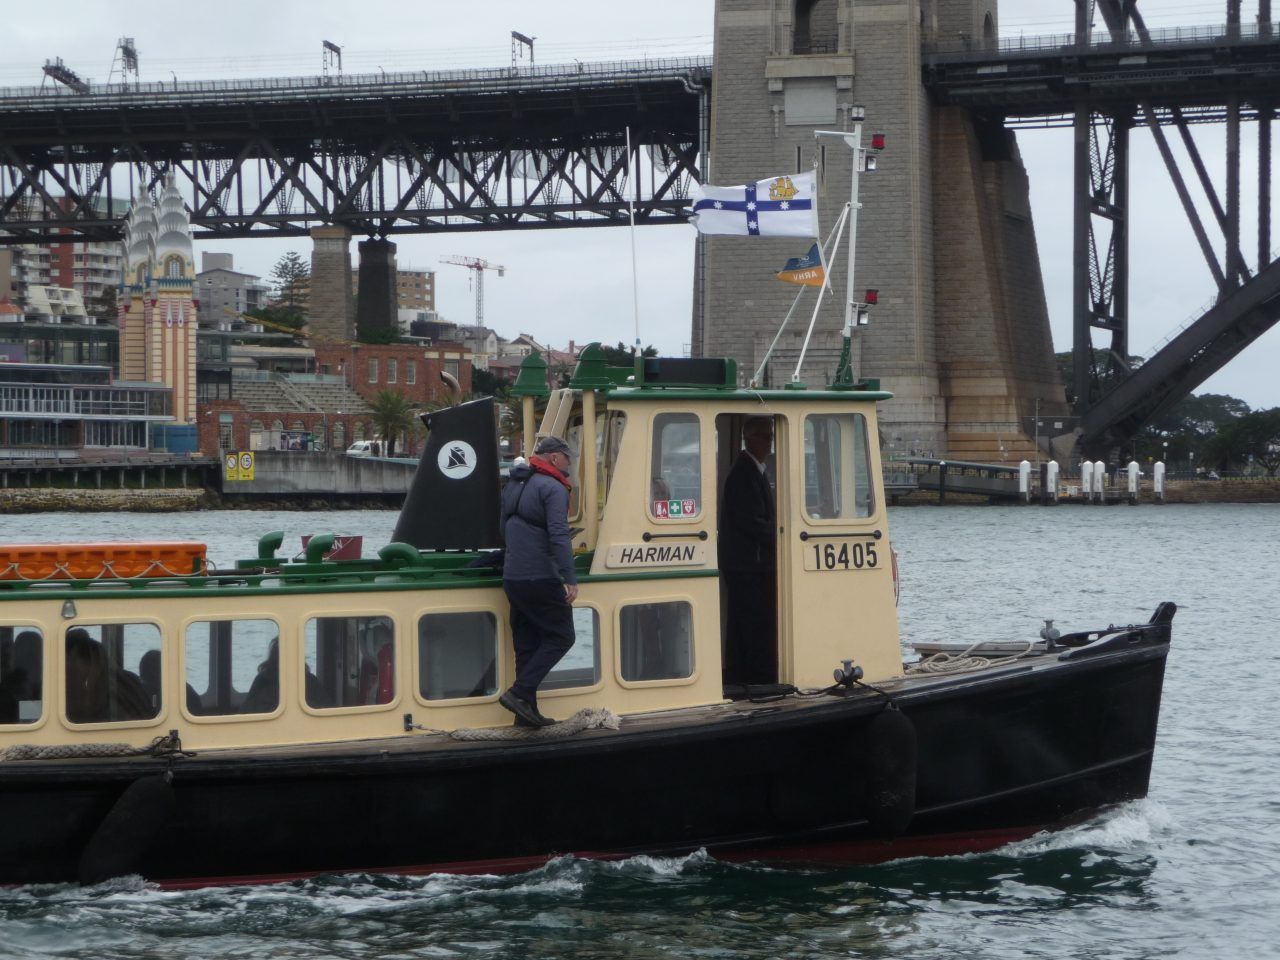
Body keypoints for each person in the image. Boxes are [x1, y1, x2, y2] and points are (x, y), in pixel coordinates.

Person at [499, 435, 579, 727]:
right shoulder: (553, 487)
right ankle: (519, 693)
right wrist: (570, 578)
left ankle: (525, 714)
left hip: (513, 577)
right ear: (554, 457)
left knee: (527, 645)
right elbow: (559, 535)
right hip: (540, 577)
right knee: (562, 637)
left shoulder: (514, 484)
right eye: (567, 457)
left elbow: (503, 529)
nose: (570, 462)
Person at [718, 416, 778, 686]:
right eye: (766, 437)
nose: (770, 443)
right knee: (755, 623)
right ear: (750, 439)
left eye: (770, 437)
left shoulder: (752, 470)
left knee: (744, 623)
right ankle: (759, 678)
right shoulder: (744, 474)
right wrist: (780, 538)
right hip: (749, 565)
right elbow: (751, 521)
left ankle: (743, 674)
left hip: (746, 563)